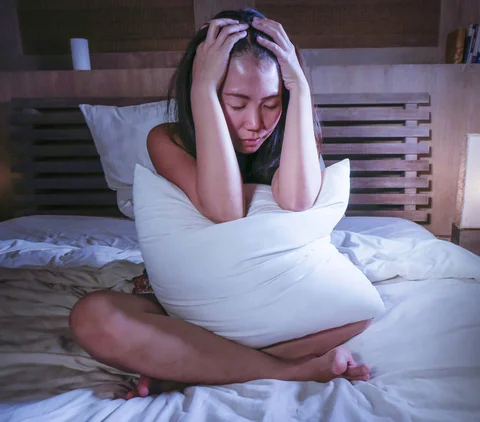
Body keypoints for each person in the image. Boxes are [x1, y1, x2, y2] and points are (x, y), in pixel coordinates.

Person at [68, 7, 372, 400]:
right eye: (236, 102)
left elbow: (297, 201)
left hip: (275, 303)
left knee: (356, 312)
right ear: (209, 93)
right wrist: (201, 90)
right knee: (93, 317)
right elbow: (224, 210)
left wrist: (301, 91)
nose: (255, 123)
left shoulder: (294, 137)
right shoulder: (167, 139)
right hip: (189, 309)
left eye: (271, 102)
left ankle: (193, 368)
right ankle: (288, 369)